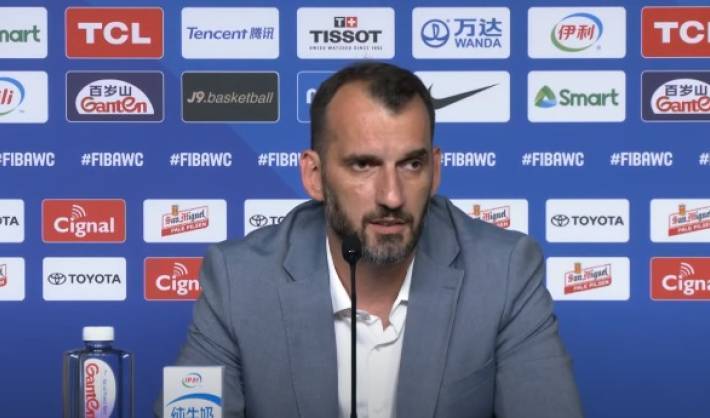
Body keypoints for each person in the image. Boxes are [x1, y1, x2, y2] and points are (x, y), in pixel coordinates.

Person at [155, 62, 582, 418]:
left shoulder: (505, 272)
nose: (392, 196)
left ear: (435, 170)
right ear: (315, 176)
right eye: (363, 165)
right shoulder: (239, 280)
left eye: (411, 165)